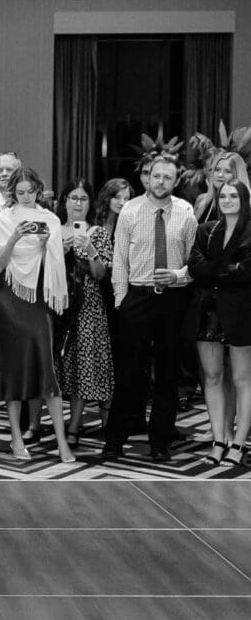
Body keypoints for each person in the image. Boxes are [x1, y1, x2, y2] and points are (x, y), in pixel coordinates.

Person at [102, 155, 197, 462]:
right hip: (136, 299)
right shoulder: (130, 210)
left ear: (175, 181)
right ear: (148, 178)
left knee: (168, 374)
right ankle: (115, 439)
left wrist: (178, 276)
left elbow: (193, 261)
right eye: (156, 176)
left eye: (167, 177)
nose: (161, 182)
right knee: (129, 373)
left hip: (171, 300)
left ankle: (160, 441)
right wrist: (120, 299)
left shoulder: (186, 212)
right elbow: (119, 259)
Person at [0, 168, 75, 462]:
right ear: (13, 192)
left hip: (39, 297)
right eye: (20, 192)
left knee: (46, 367)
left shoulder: (49, 219)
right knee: (14, 368)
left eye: (30, 191)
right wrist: (14, 238)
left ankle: (62, 441)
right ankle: (14, 438)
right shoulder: (2, 219)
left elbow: (57, 261)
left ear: (39, 190)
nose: (25, 196)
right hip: (8, 298)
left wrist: (48, 242)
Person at [188, 181, 251, 466]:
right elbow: (194, 268)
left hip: (242, 311)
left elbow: (247, 273)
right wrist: (228, 270)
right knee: (212, 378)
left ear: (244, 199)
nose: (227, 200)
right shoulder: (205, 230)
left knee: (242, 379)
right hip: (208, 310)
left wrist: (213, 270)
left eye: (233, 196)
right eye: (223, 195)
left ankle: (239, 442)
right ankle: (218, 440)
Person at [55, 179, 114, 447]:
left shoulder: (98, 233)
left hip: (88, 306)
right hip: (57, 304)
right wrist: (59, 250)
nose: (78, 203)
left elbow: (102, 275)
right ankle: (41, 424)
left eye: (83, 199)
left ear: (90, 203)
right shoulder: (53, 229)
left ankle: (74, 426)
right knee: (55, 367)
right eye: (73, 198)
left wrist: (90, 250)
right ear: (64, 200)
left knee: (83, 367)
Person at [194, 151, 251, 223]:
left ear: (237, 175)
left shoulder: (247, 206)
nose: (220, 175)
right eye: (217, 170)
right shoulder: (201, 201)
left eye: (227, 171)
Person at [94, 178, 134, 243]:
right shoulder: (93, 218)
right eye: (117, 197)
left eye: (126, 199)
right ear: (106, 198)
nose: (122, 203)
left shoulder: (127, 223)